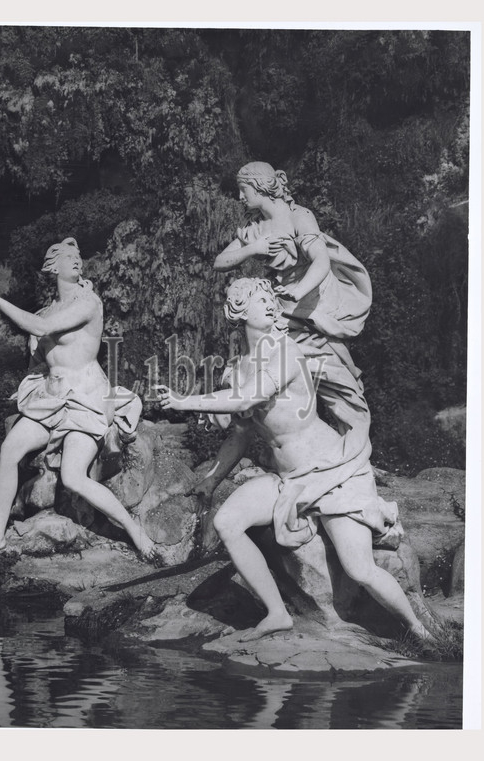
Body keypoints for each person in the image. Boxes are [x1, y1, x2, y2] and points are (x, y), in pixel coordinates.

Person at [156, 278, 433, 644]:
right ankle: (277, 614)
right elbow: (240, 434)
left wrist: (184, 401)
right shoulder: (237, 369)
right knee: (227, 522)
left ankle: (420, 631)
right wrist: (212, 479)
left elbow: (247, 399)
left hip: (332, 472)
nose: (271, 305)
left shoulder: (285, 352)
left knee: (359, 568)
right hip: (289, 480)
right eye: (260, 300)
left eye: (272, 300)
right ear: (238, 310)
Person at [0, 237, 158, 567]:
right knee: (9, 450)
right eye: (69, 256)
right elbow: (41, 359)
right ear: (53, 267)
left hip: (84, 400)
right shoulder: (46, 311)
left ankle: (134, 530)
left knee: (73, 476)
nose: (77, 260)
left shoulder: (89, 303)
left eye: (78, 255)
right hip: (51, 399)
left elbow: (42, 328)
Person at [214, 161, 372, 460]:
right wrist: (253, 249)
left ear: (260, 186)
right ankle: (295, 451)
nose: (240, 197)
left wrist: (299, 291)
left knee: (336, 376)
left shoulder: (299, 217)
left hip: (313, 306)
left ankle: (354, 452)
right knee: (275, 372)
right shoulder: (254, 228)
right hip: (281, 310)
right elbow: (220, 262)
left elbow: (321, 262)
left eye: (243, 189)